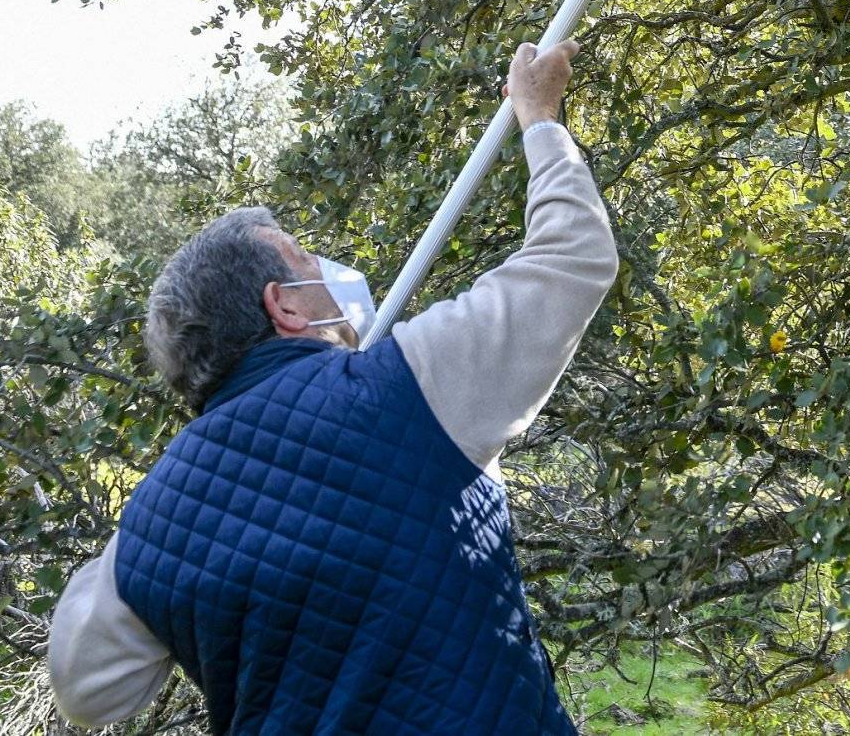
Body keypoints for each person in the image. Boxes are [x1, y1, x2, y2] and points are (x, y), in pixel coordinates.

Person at [49, 40, 615, 735]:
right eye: (305, 258)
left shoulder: (151, 525)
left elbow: (85, 690)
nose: (329, 269)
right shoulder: (403, 389)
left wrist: (148, 536)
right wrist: (540, 117)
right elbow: (573, 255)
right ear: (283, 306)